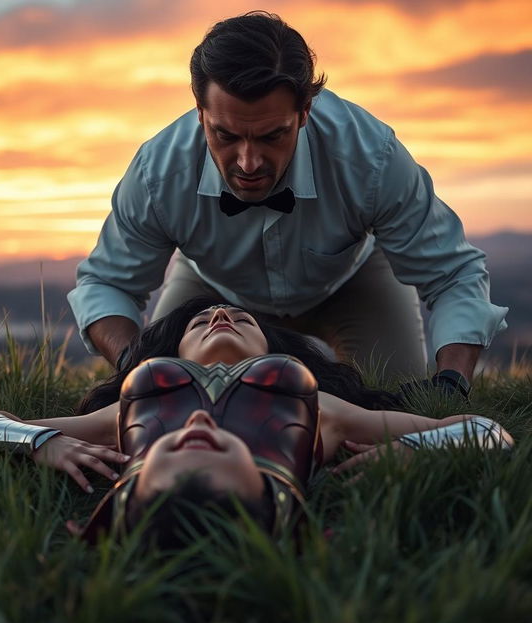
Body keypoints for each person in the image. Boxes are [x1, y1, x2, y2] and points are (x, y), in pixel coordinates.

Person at [67, 11, 508, 390]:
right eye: (225, 135)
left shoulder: (372, 158)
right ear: (200, 113)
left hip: (352, 281)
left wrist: (452, 385)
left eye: (272, 135)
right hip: (213, 292)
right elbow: (106, 285)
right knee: (173, 401)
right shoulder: (157, 173)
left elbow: (453, 274)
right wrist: (137, 370)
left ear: (305, 112)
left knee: (388, 407)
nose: (248, 161)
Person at [0, 299, 513, 545]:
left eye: (240, 317)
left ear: (274, 347)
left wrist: (415, 449)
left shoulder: (321, 408)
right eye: (200, 319)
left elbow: (488, 432)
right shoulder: (129, 409)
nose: (220, 315)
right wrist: (44, 443)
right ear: (172, 351)